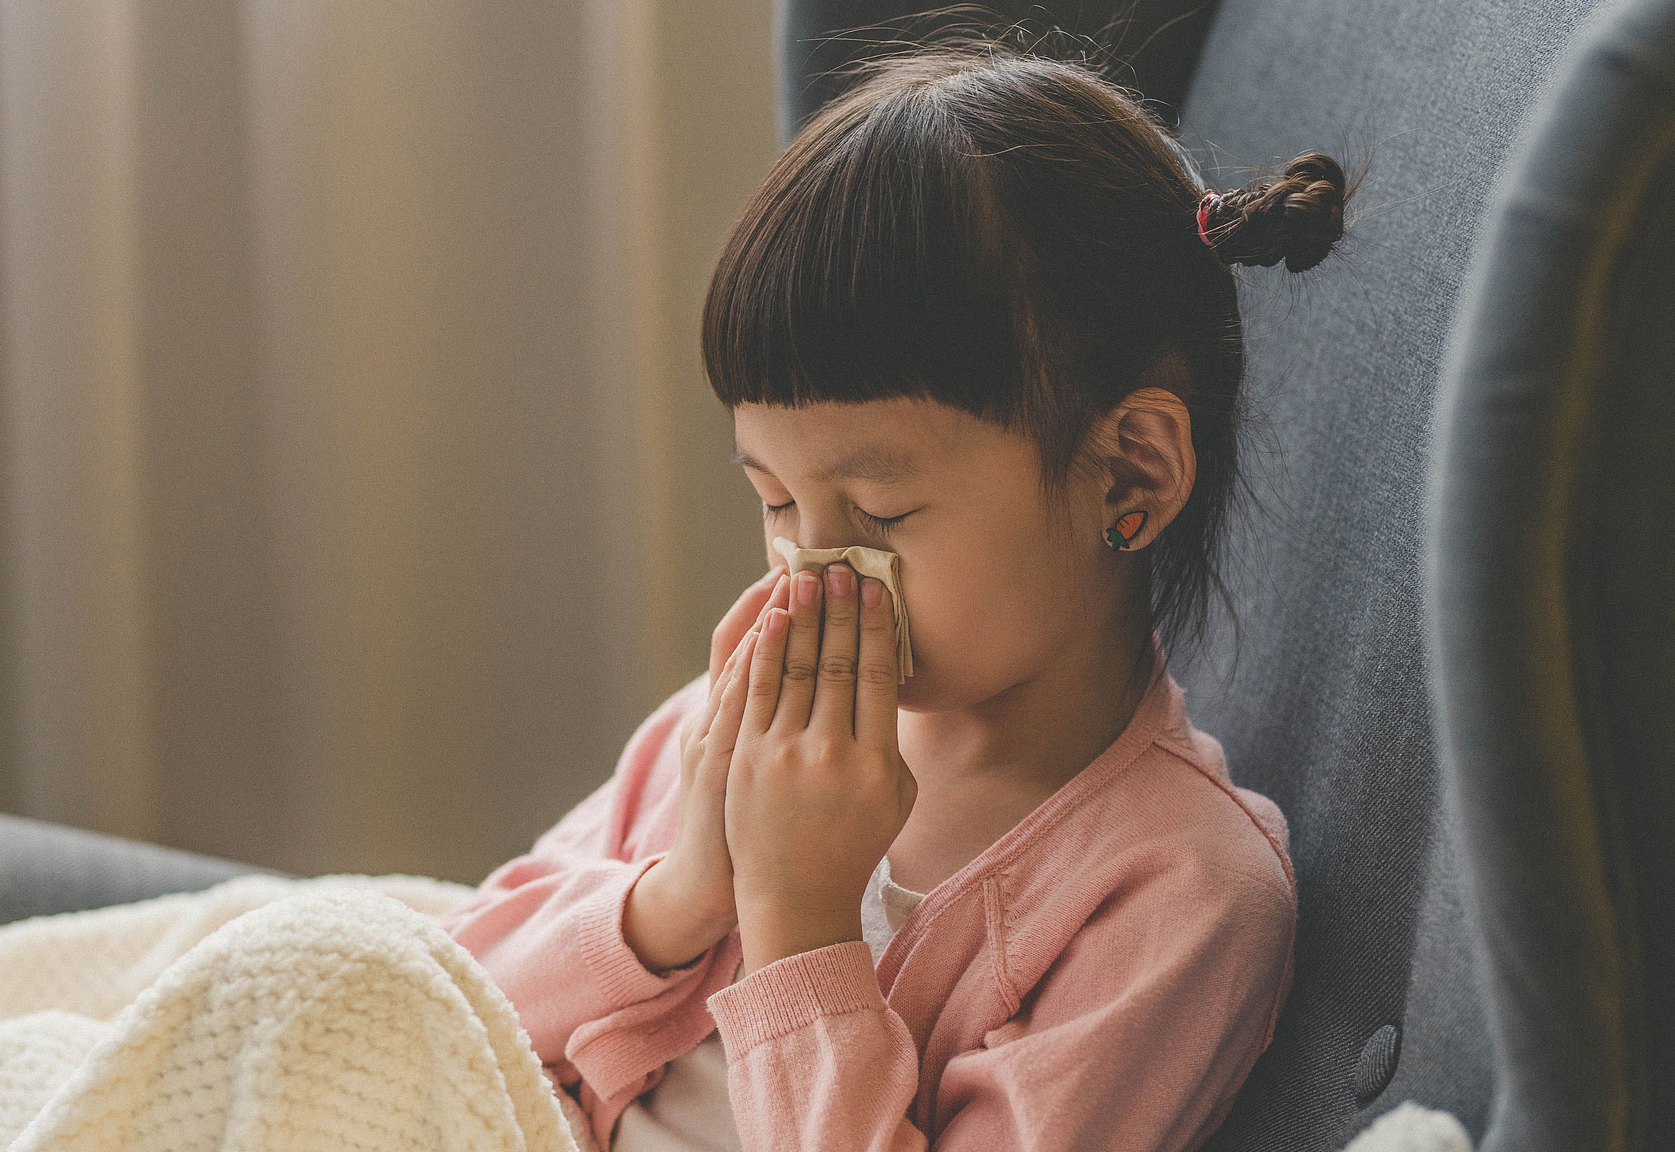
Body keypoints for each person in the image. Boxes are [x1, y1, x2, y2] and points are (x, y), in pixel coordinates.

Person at [439, 37, 1356, 1152]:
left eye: (878, 513)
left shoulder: (1174, 896)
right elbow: (452, 989)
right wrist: (679, 896)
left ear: (1129, 474)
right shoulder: (738, 733)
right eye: (776, 503)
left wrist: (797, 928)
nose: (813, 571)